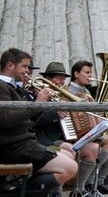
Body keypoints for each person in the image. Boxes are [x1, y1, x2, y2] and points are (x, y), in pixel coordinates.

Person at [0, 49, 78, 197]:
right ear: (10, 65)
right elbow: (5, 119)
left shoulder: (14, 87)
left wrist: (40, 105)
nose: (28, 71)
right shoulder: (1, 86)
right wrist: (37, 103)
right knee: (69, 168)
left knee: (69, 160)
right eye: (24, 66)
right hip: (14, 147)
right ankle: (14, 193)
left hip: (23, 144)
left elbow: (29, 121)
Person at [33, 61, 106, 197]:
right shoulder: (40, 93)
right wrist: (56, 113)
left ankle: (80, 189)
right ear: (50, 79)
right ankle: (56, 193)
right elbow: (36, 121)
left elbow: (66, 120)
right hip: (48, 139)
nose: (62, 82)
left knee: (95, 149)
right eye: (60, 78)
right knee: (68, 149)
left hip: (62, 137)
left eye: (63, 79)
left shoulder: (59, 95)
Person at [68, 60, 108, 194]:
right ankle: (82, 186)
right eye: (87, 72)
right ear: (76, 74)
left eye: (91, 73)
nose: (90, 76)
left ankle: (97, 181)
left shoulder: (86, 91)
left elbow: (92, 115)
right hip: (76, 135)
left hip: (88, 133)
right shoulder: (70, 91)